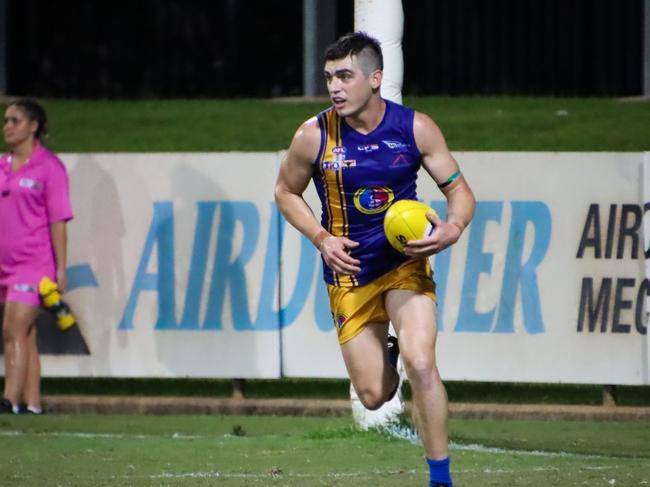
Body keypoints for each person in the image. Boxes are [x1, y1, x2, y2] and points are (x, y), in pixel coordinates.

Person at [274, 32, 475, 487]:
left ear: (375, 78)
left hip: (405, 265)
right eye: (329, 78)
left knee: (421, 362)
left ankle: (440, 478)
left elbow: (459, 190)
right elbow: (285, 192)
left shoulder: (415, 128)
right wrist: (321, 237)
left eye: (345, 75)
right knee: (373, 395)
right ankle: (386, 360)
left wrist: (453, 228)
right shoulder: (314, 135)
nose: (335, 87)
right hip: (349, 275)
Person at [0, 99, 73, 414]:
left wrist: (61, 267)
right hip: (5, 264)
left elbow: (59, 221)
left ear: (33, 126)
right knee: (25, 336)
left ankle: (9, 400)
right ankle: (33, 404)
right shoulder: (2, 166)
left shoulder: (49, 168)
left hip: (34, 264)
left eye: (15, 120)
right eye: (6, 121)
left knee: (12, 329)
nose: (7, 127)